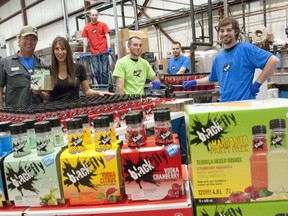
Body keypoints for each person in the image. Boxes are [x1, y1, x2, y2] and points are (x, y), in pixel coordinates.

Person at [182, 17, 279, 102]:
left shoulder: (245, 49)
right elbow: (212, 78)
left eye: (229, 30)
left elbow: (273, 61)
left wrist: (257, 84)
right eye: (222, 30)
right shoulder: (219, 57)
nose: (225, 33)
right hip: (226, 105)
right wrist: (194, 82)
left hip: (245, 105)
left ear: (236, 32)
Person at [49, 36, 113, 102]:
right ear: (53, 52)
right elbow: (47, 96)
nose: (60, 52)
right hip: (56, 110)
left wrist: (98, 93)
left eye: (63, 49)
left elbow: (87, 90)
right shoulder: (48, 71)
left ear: (67, 50)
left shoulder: (79, 68)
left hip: (75, 109)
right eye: (56, 49)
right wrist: (39, 92)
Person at [0, 25, 49, 108]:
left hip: (37, 116)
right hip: (15, 117)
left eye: (33, 39)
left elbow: (47, 95)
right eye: (26, 38)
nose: (29, 42)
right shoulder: (6, 63)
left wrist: (40, 92)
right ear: (19, 39)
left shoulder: (42, 66)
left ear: (36, 42)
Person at [81, 8, 111, 85]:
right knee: (96, 71)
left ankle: (105, 86)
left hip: (104, 51)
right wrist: (84, 52)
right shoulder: (87, 27)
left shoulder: (103, 25)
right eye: (92, 15)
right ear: (89, 16)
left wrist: (109, 47)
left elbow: (107, 36)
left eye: (95, 15)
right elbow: (85, 40)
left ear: (98, 15)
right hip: (94, 53)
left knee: (104, 71)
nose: (94, 16)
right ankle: (101, 85)